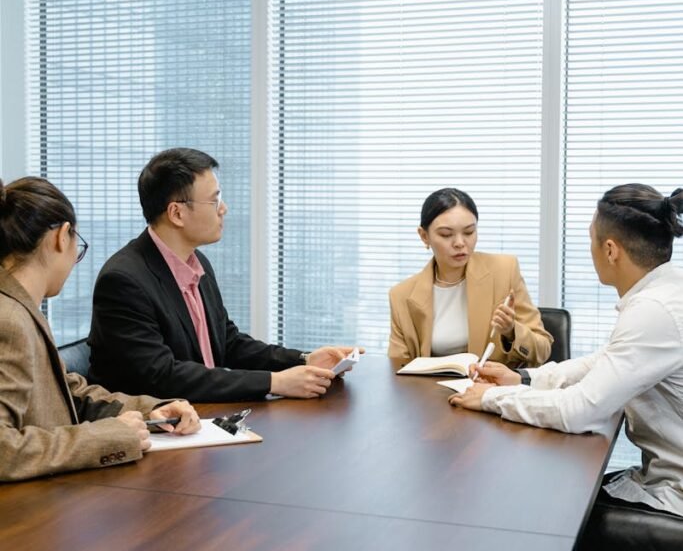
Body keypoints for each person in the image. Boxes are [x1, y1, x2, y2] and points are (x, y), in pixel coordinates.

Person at [449, 183, 683, 517]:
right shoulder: (667, 290)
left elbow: (579, 411)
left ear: (611, 250)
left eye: (591, 239)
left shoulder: (654, 311)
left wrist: (489, 399)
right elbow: (605, 361)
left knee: (554, 507)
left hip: (675, 492)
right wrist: (522, 379)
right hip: (665, 477)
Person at [89, 148, 359, 401]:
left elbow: (227, 342)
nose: (223, 208)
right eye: (214, 199)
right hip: (156, 432)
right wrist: (274, 382)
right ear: (177, 213)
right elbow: (162, 375)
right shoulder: (124, 280)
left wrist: (304, 360)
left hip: (203, 417)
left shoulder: (197, 262)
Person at [0, 176, 199, 483]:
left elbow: (69, 392)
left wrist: (152, 410)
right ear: (62, 237)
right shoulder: (9, 320)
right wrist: (105, 438)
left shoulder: (19, 309)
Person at [388, 187, 551, 366]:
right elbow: (398, 367)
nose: (460, 243)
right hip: (428, 392)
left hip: (488, 390)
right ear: (424, 236)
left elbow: (543, 348)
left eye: (469, 232)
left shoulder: (504, 271)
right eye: (446, 234)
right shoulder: (401, 296)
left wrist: (511, 331)